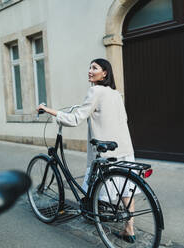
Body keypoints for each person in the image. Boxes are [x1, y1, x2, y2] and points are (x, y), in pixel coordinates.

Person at [36, 58, 136, 243]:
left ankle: (96, 212)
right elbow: (124, 118)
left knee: (100, 182)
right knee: (125, 189)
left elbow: (75, 119)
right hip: (123, 147)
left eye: (94, 68)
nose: (90, 71)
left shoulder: (95, 90)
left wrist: (49, 110)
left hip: (105, 151)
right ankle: (129, 228)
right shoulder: (115, 94)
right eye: (89, 67)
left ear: (104, 72)